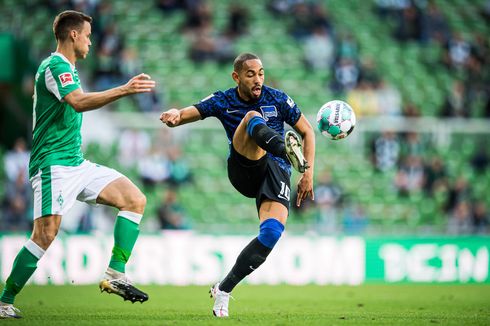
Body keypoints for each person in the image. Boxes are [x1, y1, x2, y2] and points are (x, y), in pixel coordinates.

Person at [0, 10, 156, 319]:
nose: (90, 41)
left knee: (135, 199)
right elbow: (78, 101)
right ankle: (4, 300)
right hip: (53, 165)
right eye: (86, 35)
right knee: (44, 235)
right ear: (73, 35)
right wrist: (124, 89)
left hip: (76, 162)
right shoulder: (55, 65)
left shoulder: (68, 67)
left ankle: (115, 274)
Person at [160, 52, 315, 317]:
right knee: (252, 117)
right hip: (244, 168)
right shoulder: (223, 100)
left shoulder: (277, 98)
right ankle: (284, 147)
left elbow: (307, 131)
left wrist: (308, 174)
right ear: (237, 76)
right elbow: (192, 112)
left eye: (261, 73)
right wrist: (176, 114)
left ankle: (224, 289)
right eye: (251, 74)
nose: (258, 80)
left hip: (276, 171)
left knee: (271, 234)